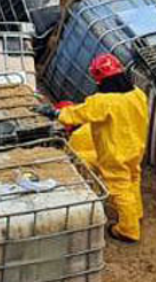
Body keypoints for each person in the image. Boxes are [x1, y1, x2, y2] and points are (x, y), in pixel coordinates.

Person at [46, 53, 147, 243]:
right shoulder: (138, 94)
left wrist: (56, 112)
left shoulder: (103, 102)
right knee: (133, 177)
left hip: (115, 153)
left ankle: (128, 229)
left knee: (119, 188)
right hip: (136, 147)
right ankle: (137, 212)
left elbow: (78, 114)